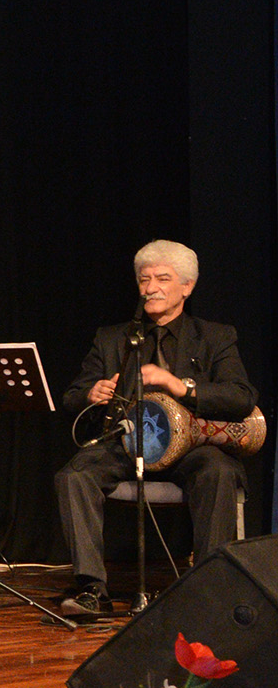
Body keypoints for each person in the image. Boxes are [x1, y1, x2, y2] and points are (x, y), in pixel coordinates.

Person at [54, 240, 257, 620]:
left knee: (219, 470)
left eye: (163, 279)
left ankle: (207, 589)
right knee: (74, 475)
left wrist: (181, 386)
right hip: (125, 444)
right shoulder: (112, 338)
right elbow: (72, 398)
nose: (151, 288)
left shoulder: (214, 336)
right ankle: (92, 590)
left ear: (187, 286)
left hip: (191, 448)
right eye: (144, 279)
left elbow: (242, 397)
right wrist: (91, 394)